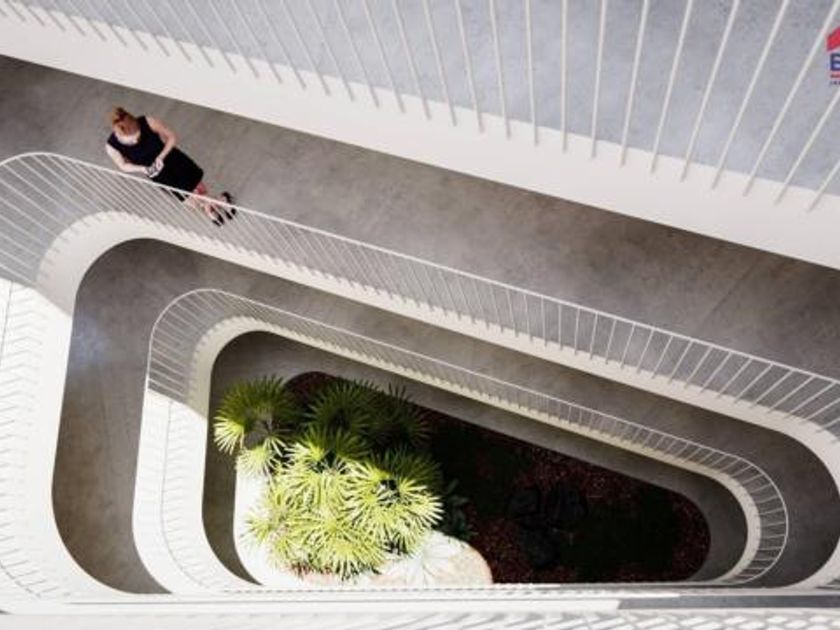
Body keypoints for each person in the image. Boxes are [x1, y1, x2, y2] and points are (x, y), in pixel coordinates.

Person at [105, 107, 236, 226]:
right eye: (130, 133)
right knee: (188, 200)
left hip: (174, 161)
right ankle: (215, 203)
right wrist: (143, 169)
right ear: (121, 131)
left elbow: (171, 137)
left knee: (199, 190)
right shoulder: (112, 146)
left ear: (133, 120)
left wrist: (161, 157)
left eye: (135, 128)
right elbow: (123, 165)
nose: (135, 135)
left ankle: (217, 203)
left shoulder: (147, 122)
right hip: (158, 174)